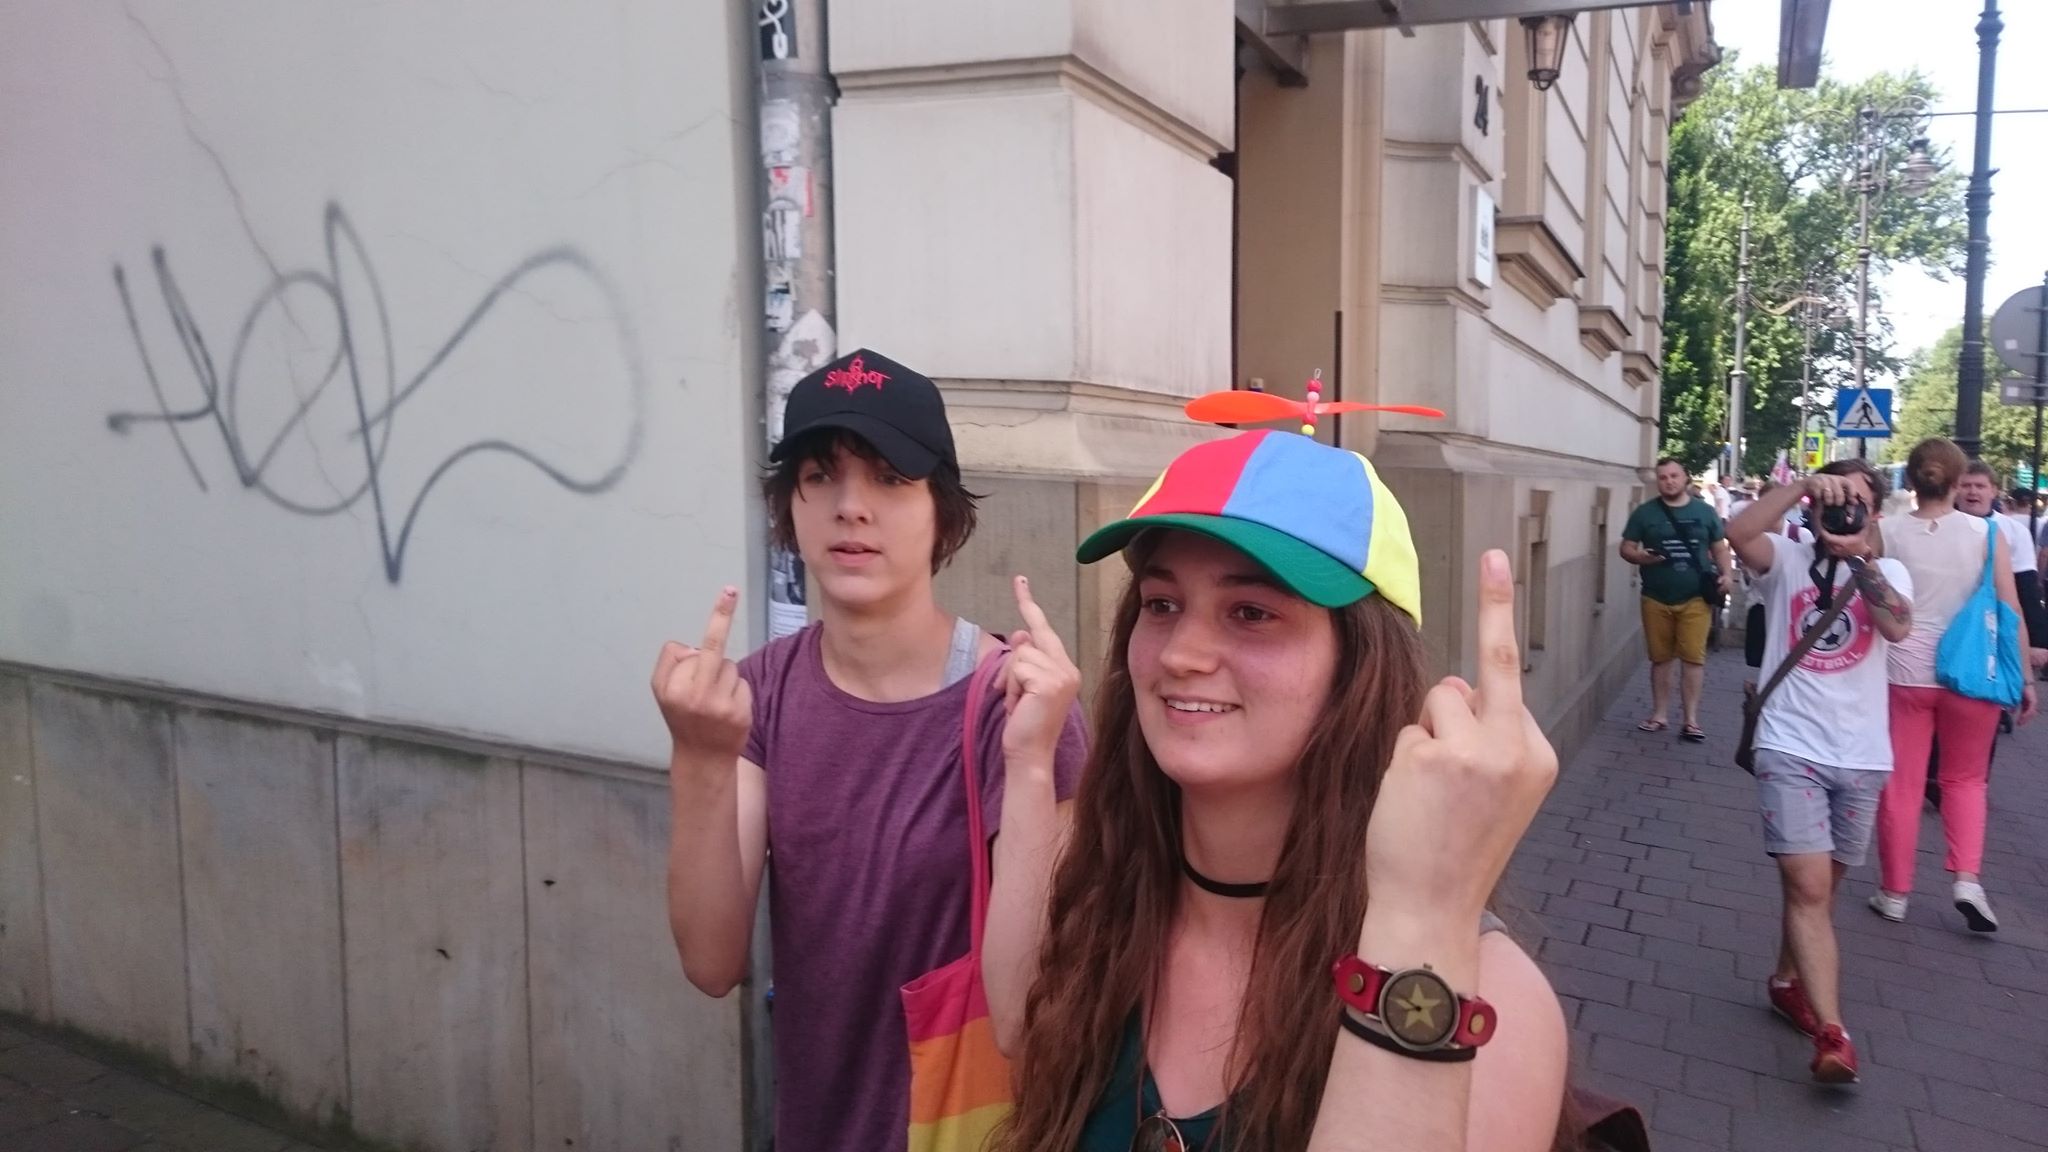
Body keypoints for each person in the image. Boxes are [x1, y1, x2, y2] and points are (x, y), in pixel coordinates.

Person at [991, 430, 1569, 1151]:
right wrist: (1029, 762)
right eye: (1162, 603)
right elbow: (1017, 1031)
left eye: (1252, 613)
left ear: (1360, 664)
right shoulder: (1092, 860)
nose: (1181, 653)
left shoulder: (1481, 1003)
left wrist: (1422, 919)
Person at [653, 348, 1089, 1149]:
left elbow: (1036, 1008)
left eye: (890, 478)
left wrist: (1032, 760)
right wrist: (701, 758)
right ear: (788, 507)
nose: (852, 507)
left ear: (942, 512)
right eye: (821, 476)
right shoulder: (759, 695)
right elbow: (712, 963)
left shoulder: (1018, 709)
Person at [1725, 461, 1913, 1083]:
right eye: (1834, 498)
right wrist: (1803, 486)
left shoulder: (1888, 571)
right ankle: (1834, 1036)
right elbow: (1737, 531)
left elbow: (1897, 625)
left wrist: (1859, 557)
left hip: (1861, 756)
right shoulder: (1786, 559)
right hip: (1789, 746)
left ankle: (1786, 981)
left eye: (1856, 501)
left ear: (1875, 514)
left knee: (1818, 893)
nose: (1842, 510)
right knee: (1808, 889)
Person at [1871, 439, 2037, 933]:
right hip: (1972, 670)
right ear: (1958, 481)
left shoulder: (1888, 531)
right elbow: (2009, 608)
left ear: (1912, 479)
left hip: (1905, 671)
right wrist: (2025, 677)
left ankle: (1894, 893)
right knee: (1966, 780)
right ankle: (1967, 881)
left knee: (1902, 783)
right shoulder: (1988, 533)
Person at [1620, 458, 1736, 741]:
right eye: (1663, 477)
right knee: (1660, 659)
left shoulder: (1704, 512)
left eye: (1674, 476)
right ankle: (1659, 715)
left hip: (1696, 597)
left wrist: (1727, 575)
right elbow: (1626, 548)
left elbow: (1719, 548)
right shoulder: (1645, 513)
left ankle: (1691, 720)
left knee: (1693, 659)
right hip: (1656, 596)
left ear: (1685, 478)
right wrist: (1640, 557)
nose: (1669, 481)